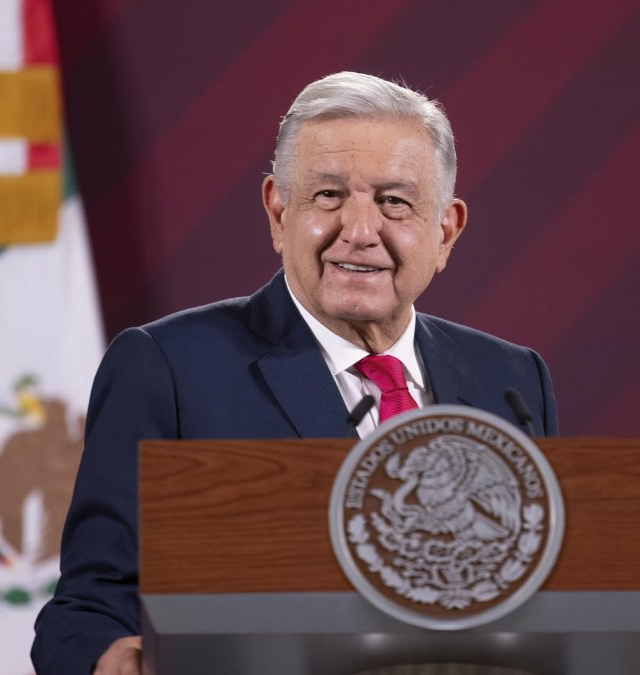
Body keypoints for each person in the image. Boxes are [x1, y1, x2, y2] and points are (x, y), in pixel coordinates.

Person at [31, 71, 558, 675]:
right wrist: (112, 660)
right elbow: (90, 607)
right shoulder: (169, 368)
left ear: (445, 230)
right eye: (329, 196)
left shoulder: (512, 381)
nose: (359, 233)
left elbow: (544, 595)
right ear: (278, 214)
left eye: (395, 202)